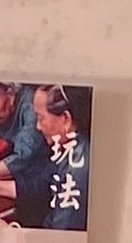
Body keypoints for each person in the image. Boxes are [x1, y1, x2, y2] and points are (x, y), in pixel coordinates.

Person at [17, 81, 93, 229]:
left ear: (65, 118)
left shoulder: (77, 169)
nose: (38, 127)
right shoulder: (66, 150)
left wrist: (7, 230)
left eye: (40, 118)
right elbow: (41, 184)